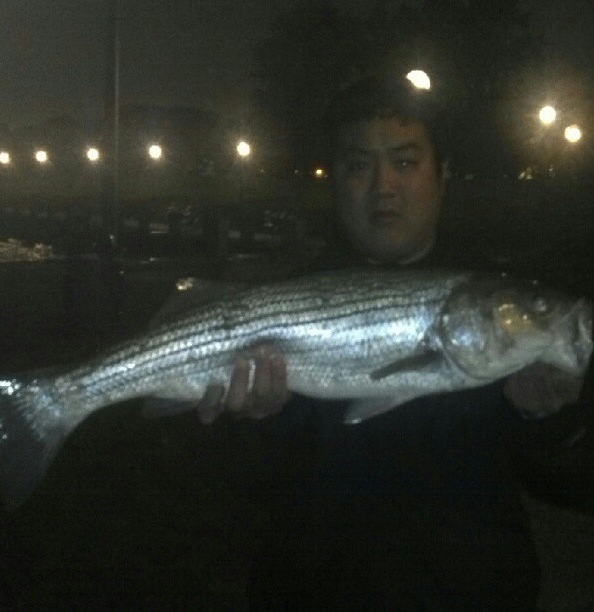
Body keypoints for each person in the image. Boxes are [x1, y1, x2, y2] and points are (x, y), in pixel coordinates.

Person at [193, 74, 589, 608]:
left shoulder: (499, 302)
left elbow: (570, 487)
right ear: (335, 181)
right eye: (359, 165)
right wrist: (259, 422)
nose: (384, 185)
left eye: (405, 162)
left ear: (442, 176)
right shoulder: (277, 298)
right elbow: (223, 499)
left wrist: (549, 417)